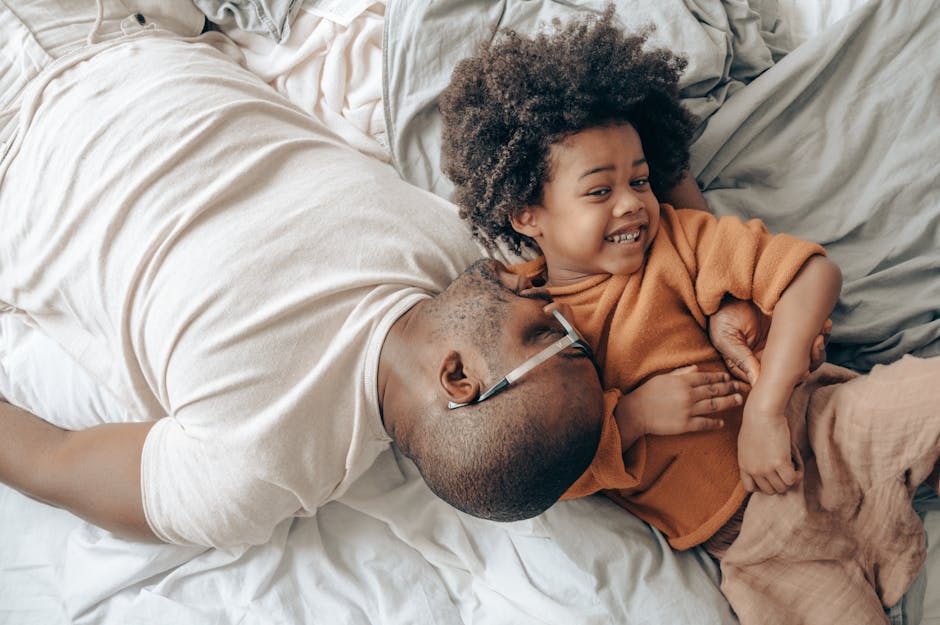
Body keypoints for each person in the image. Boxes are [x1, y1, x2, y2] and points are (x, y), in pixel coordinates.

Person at [0, 1, 770, 551]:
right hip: (144, 33)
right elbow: (617, 159)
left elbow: (48, 460)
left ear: (461, 379)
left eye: (546, 332)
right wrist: (722, 300)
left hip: (16, 134)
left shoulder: (251, 469)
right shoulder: (462, 268)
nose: (542, 296)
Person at [439, 10, 940, 625]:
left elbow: (812, 274)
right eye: (599, 191)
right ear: (525, 216)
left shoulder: (677, 243)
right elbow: (537, 470)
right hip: (757, 548)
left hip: (822, 433)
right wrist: (633, 415)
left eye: (642, 179)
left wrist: (765, 408)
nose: (631, 204)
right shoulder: (533, 330)